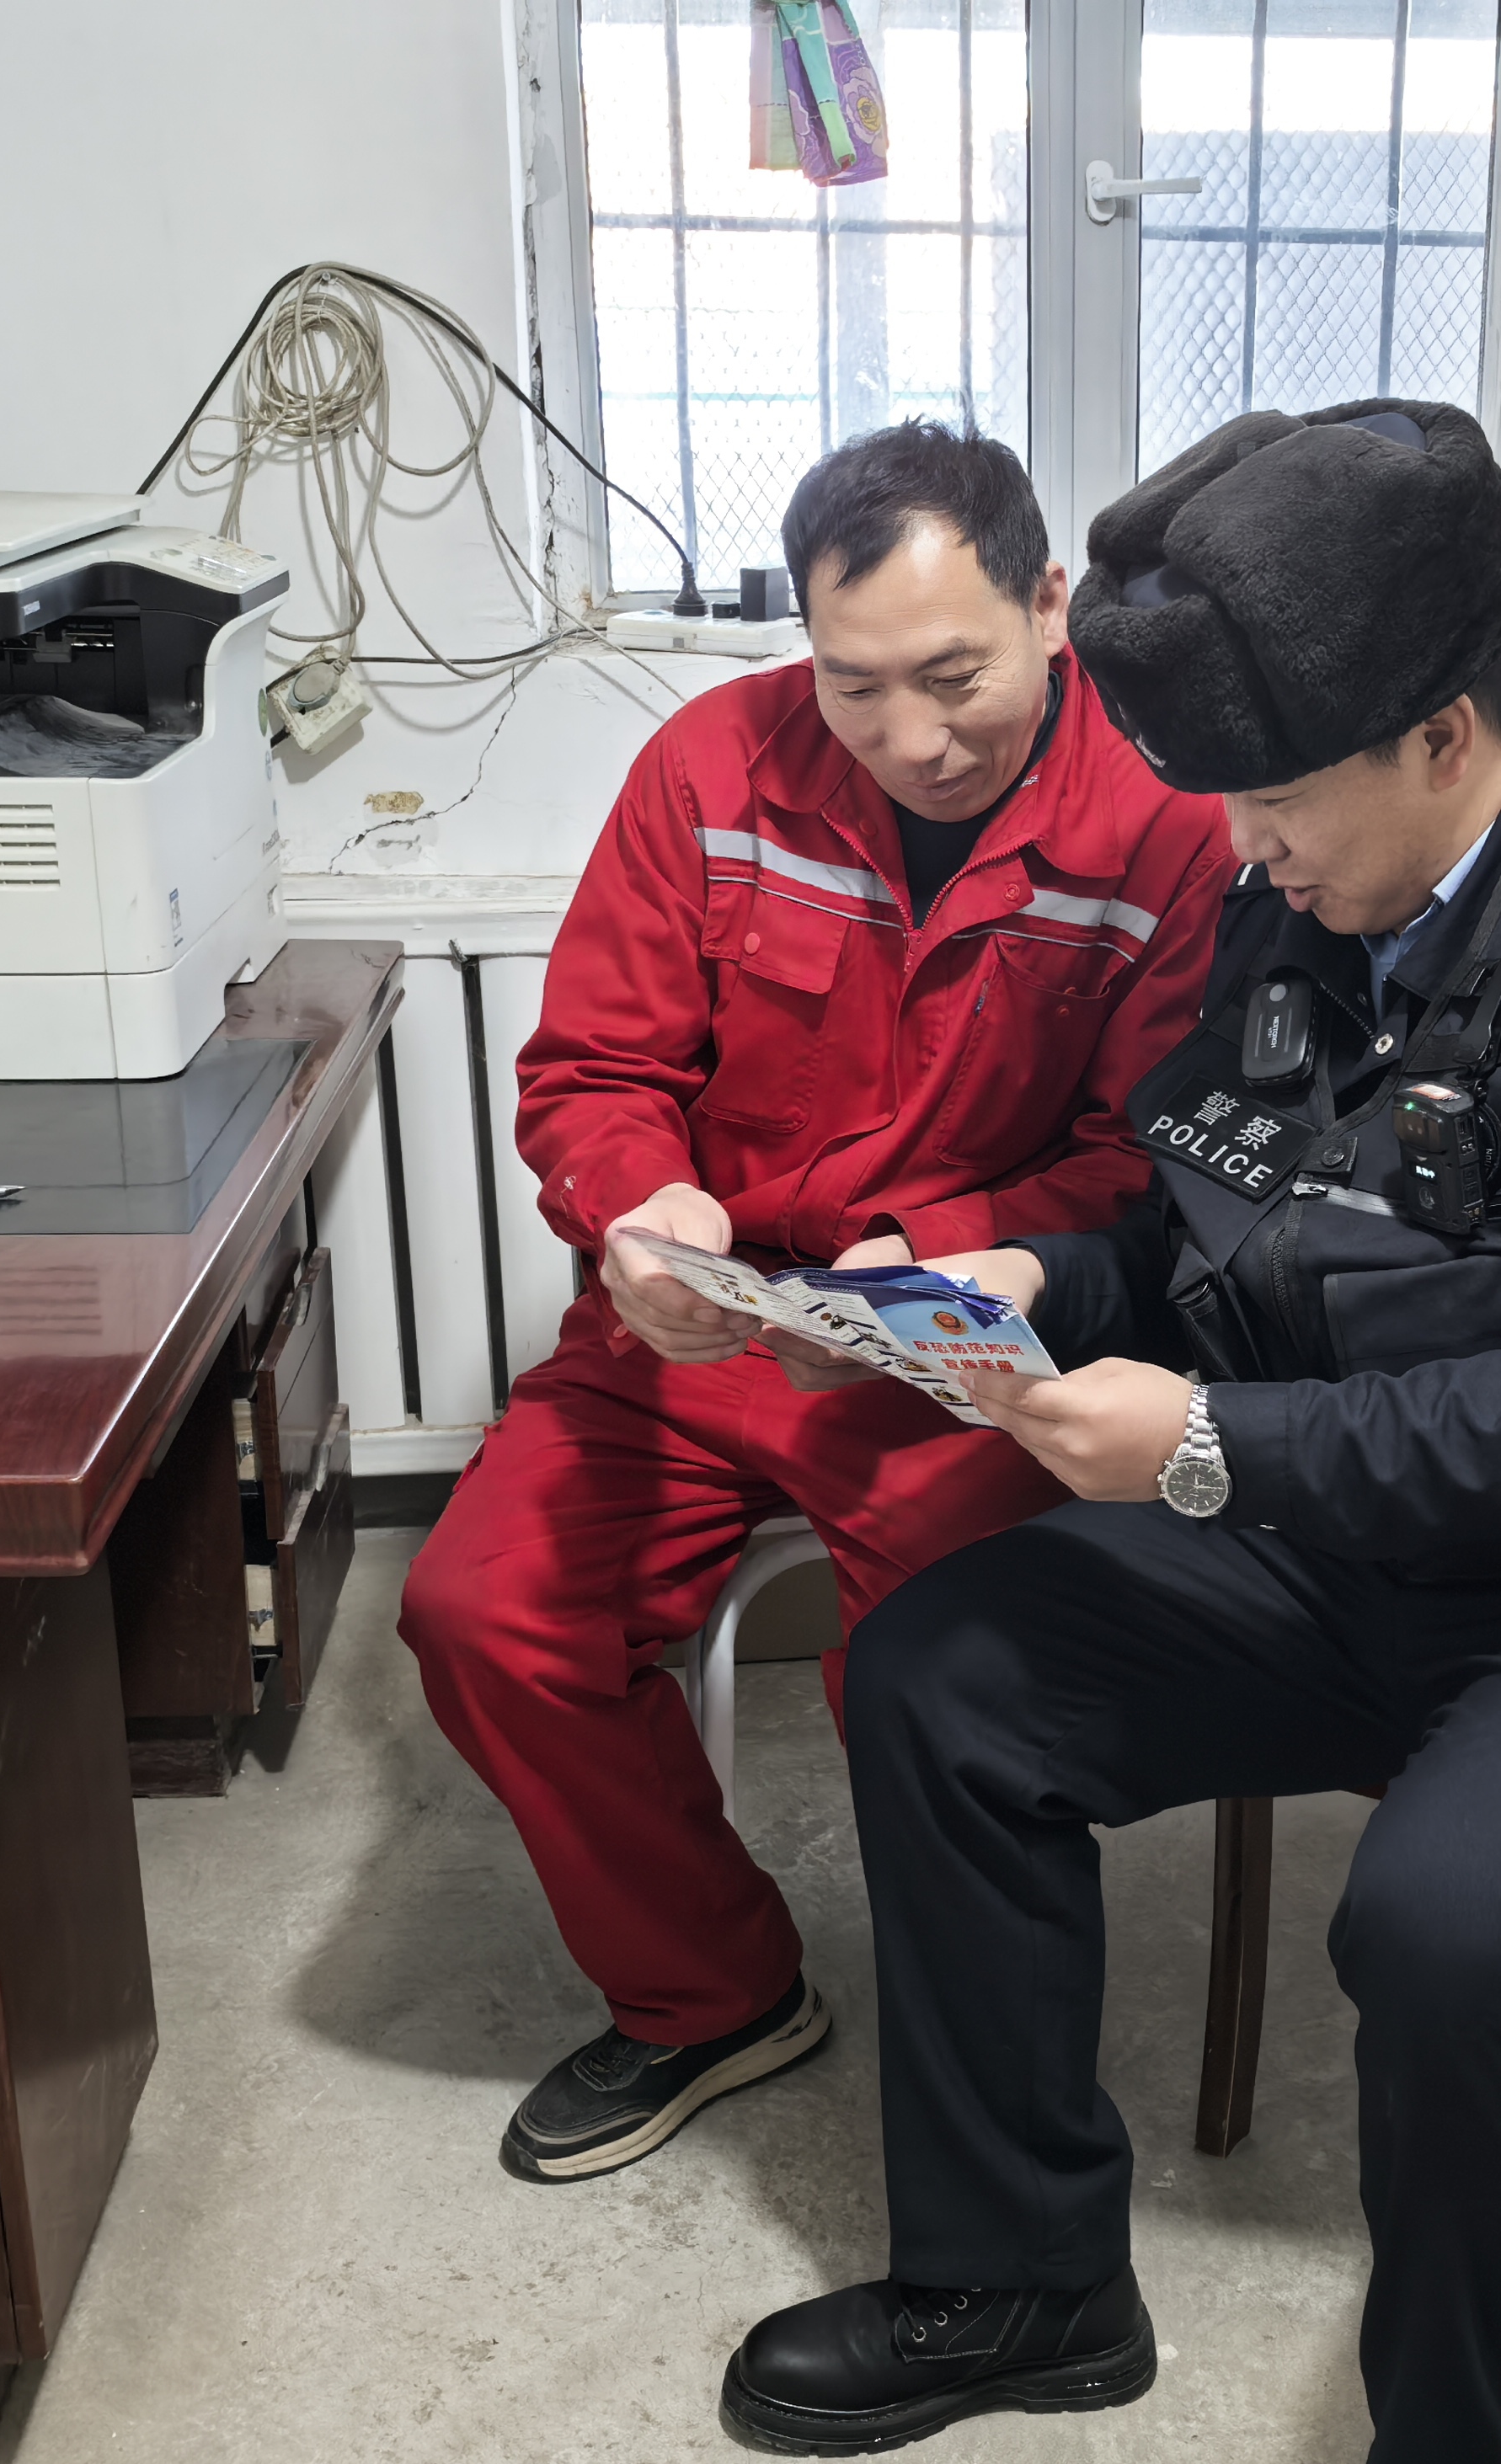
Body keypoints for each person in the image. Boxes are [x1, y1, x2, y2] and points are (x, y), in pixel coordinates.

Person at [715, 401, 1501, 2464]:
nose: (1242, 851)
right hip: (1361, 1532)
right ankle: (1022, 2281)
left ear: (1444, 736)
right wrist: (1025, 1287)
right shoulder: (1310, 909)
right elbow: (1215, 1234)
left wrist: (1198, 1446)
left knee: (1452, 1924)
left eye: (1273, 804)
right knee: (939, 1677)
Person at [397, 423, 1233, 2185]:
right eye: (854, 686)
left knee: (945, 1684)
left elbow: (1148, 1161)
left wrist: (938, 1247)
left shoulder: (1167, 824)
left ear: (1050, 606)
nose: (910, 738)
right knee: (484, 1615)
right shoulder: (709, 767)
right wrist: (639, 1212)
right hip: (700, 1325)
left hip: (957, 1350)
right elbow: (593, 1069)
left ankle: (977, 2066)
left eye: (953, 677)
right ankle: (709, 1993)